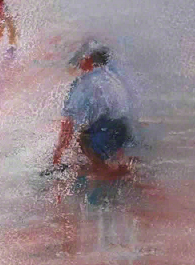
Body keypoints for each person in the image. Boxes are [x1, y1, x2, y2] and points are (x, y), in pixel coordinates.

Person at [51, 42, 134, 193]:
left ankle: (104, 175)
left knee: (81, 139)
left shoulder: (84, 83)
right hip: (124, 133)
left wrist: (57, 154)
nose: (79, 62)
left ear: (88, 59)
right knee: (94, 133)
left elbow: (68, 123)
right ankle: (118, 171)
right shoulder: (111, 77)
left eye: (82, 58)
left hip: (104, 135)